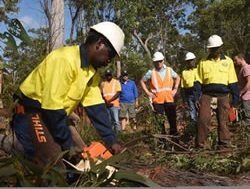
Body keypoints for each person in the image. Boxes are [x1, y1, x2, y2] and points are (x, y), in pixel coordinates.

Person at [11, 21, 125, 168]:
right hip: (31, 112)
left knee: (81, 160)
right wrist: (68, 146)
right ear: (100, 43)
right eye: (110, 55)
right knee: (53, 168)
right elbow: (52, 107)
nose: (109, 61)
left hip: (54, 115)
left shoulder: (92, 73)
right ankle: (11, 146)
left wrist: (111, 140)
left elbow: (96, 109)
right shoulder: (64, 59)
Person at [196, 34, 240, 149]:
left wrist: (235, 101)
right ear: (209, 49)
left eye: (217, 48)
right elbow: (198, 82)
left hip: (223, 95)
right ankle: (201, 146)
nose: (215, 50)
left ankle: (224, 146)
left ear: (221, 47)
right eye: (212, 48)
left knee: (223, 121)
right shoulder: (203, 62)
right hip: (207, 95)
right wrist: (197, 98)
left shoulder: (228, 61)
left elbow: (233, 82)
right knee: (203, 120)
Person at [140, 51, 180, 136]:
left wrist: (175, 89)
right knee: (160, 122)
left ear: (163, 60)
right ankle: (163, 141)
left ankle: (175, 139)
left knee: (172, 121)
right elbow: (142, 81)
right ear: (154, 62)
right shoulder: (151, 72)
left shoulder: (169, 70)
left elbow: (178, 78)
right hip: (157, 101)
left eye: (160, 61)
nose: (158, 63)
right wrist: (148, 93)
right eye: (156, 61)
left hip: (169, 99)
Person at [180, 52, 200, 123]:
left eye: (192, 60)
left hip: (199, 94)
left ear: (195, 60)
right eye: (188, 61)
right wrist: (184, 101)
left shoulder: (199, 70)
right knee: (193, 115)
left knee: (201, 114)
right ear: (186, 62)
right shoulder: (184, 72)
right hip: (189, 95)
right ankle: (193, 131)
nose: (191, 62)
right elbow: (182, 87)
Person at [101, 69, 121, 133]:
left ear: (111, 75)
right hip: (106, 105)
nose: (108, 76)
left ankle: (119, 135)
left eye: (109, 75)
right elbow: (101, 94)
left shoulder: (116, 82)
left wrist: (109, 101)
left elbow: (118, 93)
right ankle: (111, 135)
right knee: (108, 121)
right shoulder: (103, 84)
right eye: (107, 75)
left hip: (114, 104)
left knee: (116, 121)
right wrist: (105, 101)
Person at [233, 53, 250, 127]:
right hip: (244, 96)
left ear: (241, 59)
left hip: (247, 96)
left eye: (236, 60)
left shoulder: (246, 68)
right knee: (243, 114)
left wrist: (241, 92)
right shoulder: (242, 68)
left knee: (247, 117)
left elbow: (249, 82)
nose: (235, 62)